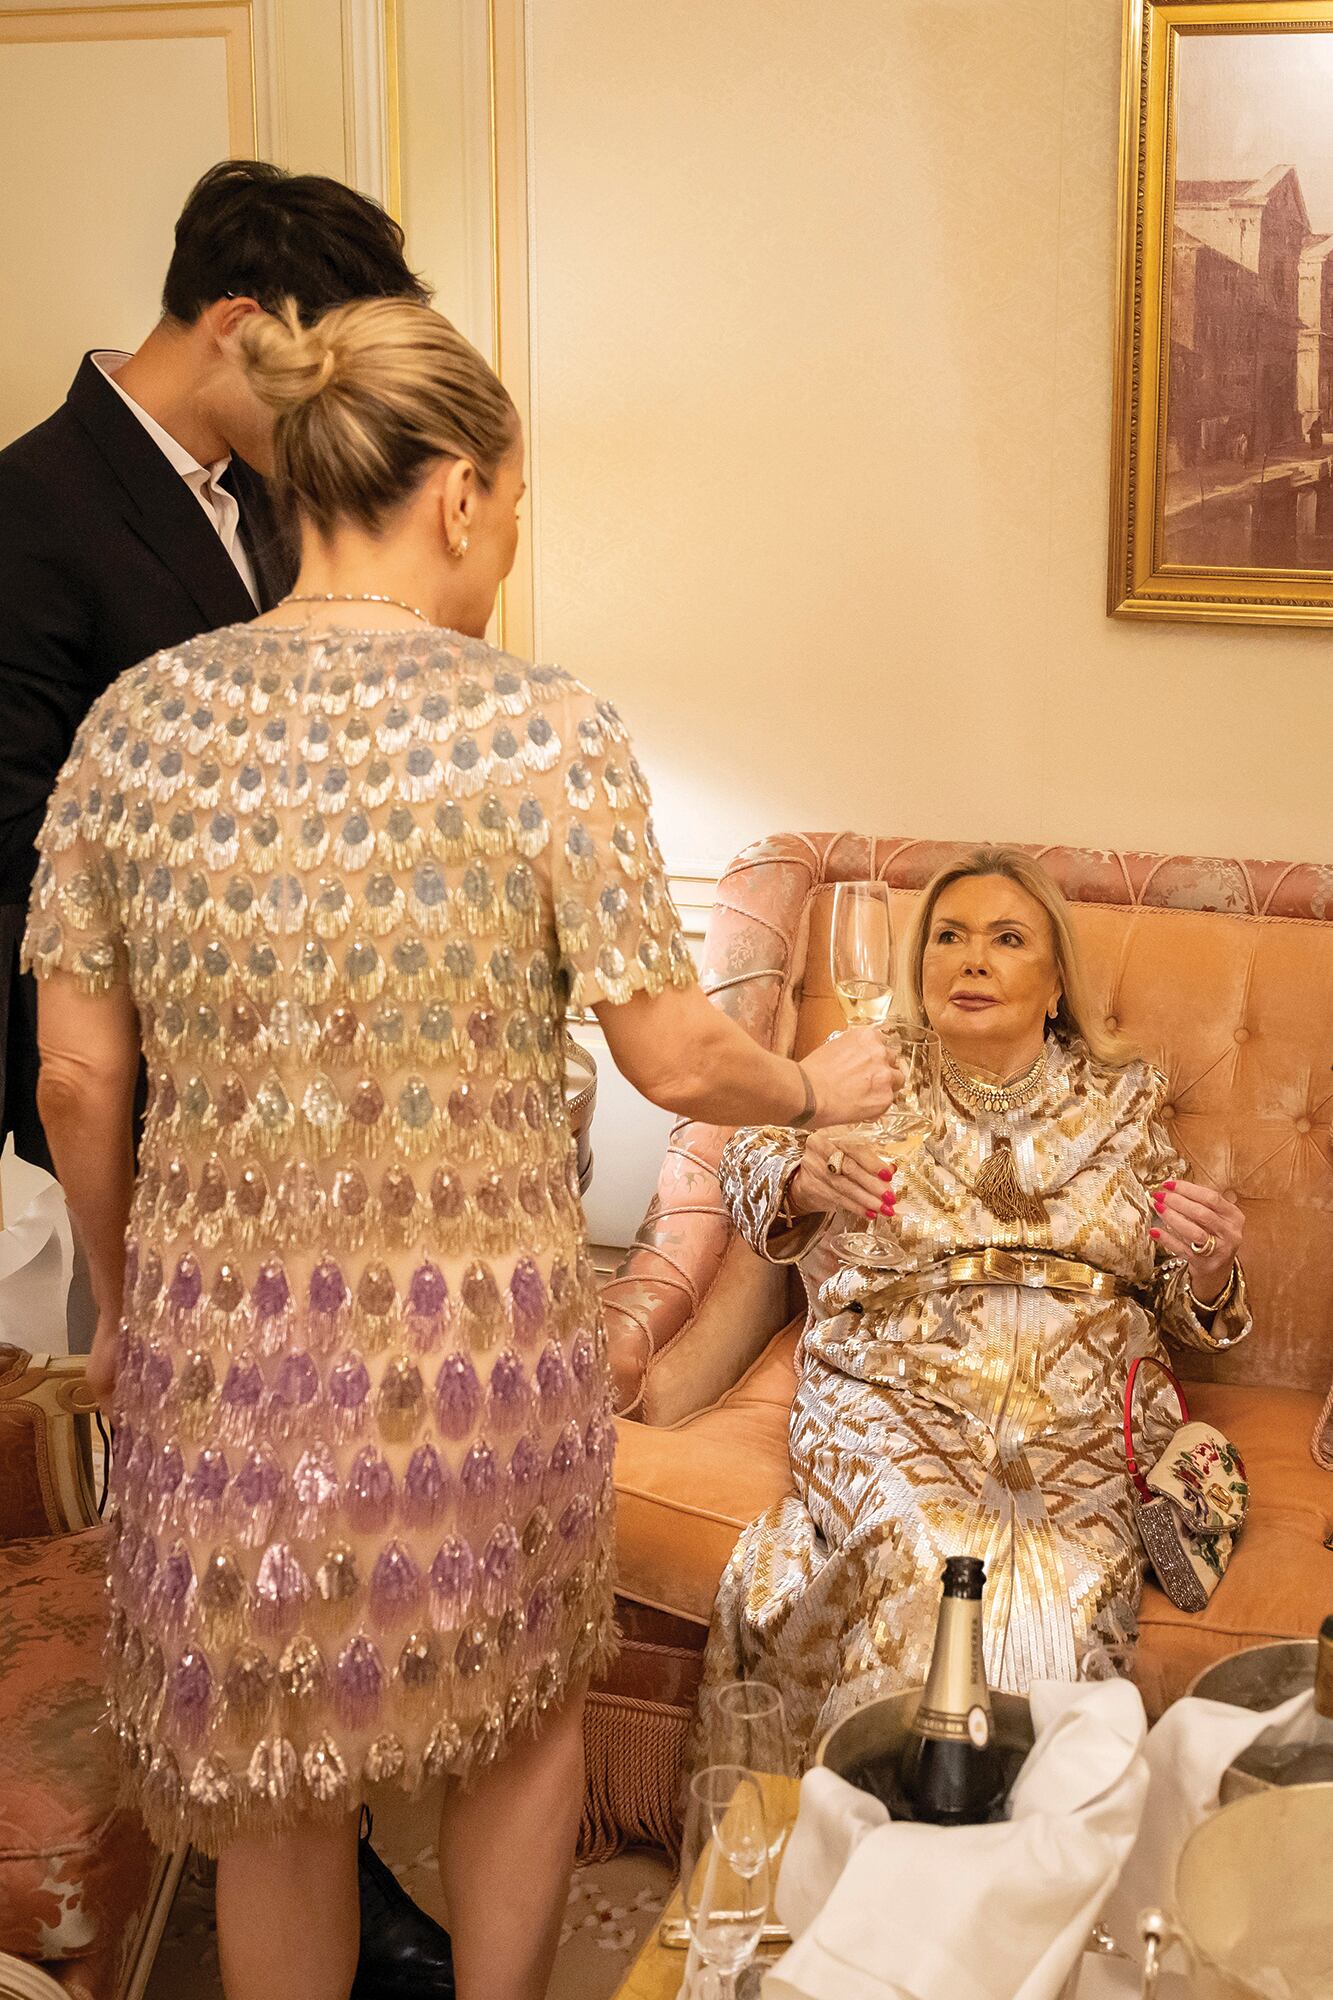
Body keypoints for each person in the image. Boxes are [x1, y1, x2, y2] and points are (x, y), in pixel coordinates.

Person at [23, 295, 899, 2000]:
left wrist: (126, 1306)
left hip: (227, 1359)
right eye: (510, 509)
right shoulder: (540, 730)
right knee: (515, 1724)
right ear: (458, 494)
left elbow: (73, 1079)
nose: (503, 545)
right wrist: (816, 1088)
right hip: (478, 1357)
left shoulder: (136, 722)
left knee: (277, 1785)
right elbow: (674, 1052)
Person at [698, 847, 1250, 1760]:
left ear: (1056, 984)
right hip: (893, 1377)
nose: (971, 960)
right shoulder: (869, 1073)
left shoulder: (1124, 1100)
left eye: (1006, 939)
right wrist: (801, 1175)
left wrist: (1209, 1267)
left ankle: (1025, 1831)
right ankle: (877, 1813)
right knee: (925, 1542)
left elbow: (1184, 1302)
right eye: (947, 937)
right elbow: (746, 1157)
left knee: (1067, 1574)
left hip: (1079, 1399)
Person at [0, 158, 430, 1178]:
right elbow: (14, 835)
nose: (337, 419)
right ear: (238, 326)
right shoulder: (28, 506)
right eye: (326, 382)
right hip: (131, 1074)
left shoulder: (273, 492)